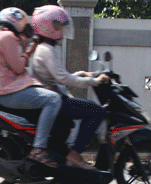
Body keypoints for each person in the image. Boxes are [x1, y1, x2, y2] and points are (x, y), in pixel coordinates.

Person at [0, 7, 62, 168]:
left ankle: (30, 144)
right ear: (16, 24)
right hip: (5, 91)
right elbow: (18, 68)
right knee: (53, 99)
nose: (23, 35)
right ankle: (39, 148)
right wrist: (28, 52)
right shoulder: (7, 36)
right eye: (24, 30)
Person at [30, 5, 110, 170]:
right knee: (98, 111)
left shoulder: (44, 48)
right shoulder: (46, 49)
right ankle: (75, 153)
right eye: (59, 26)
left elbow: (59, 75)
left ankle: (67, 152)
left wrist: (84, 74)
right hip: (55, 100)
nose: (63, 30)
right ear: (48, 27)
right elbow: (63, 78)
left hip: (53, 97)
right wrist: (94, 82)